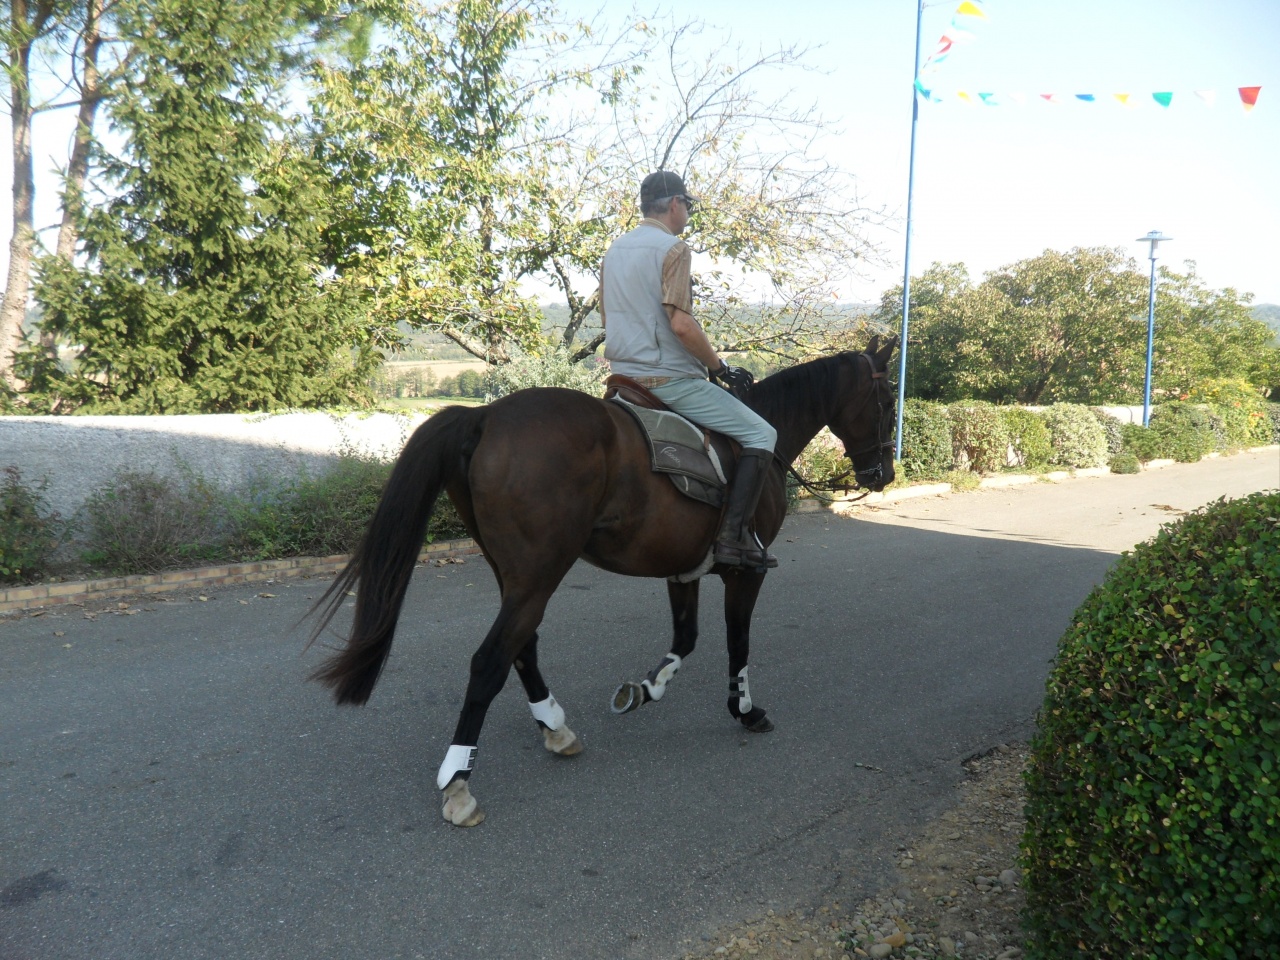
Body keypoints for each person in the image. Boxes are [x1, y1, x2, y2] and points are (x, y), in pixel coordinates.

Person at [600, 170, 778, 570]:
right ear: (676, 204)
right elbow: (681, 324)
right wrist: (719, 367)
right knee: (762, 432)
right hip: (668, 379)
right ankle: (733, 537)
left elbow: (607, 314)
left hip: (622, 379)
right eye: (688, 206)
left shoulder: (614, 250)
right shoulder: (674, 249)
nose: (688, 213)